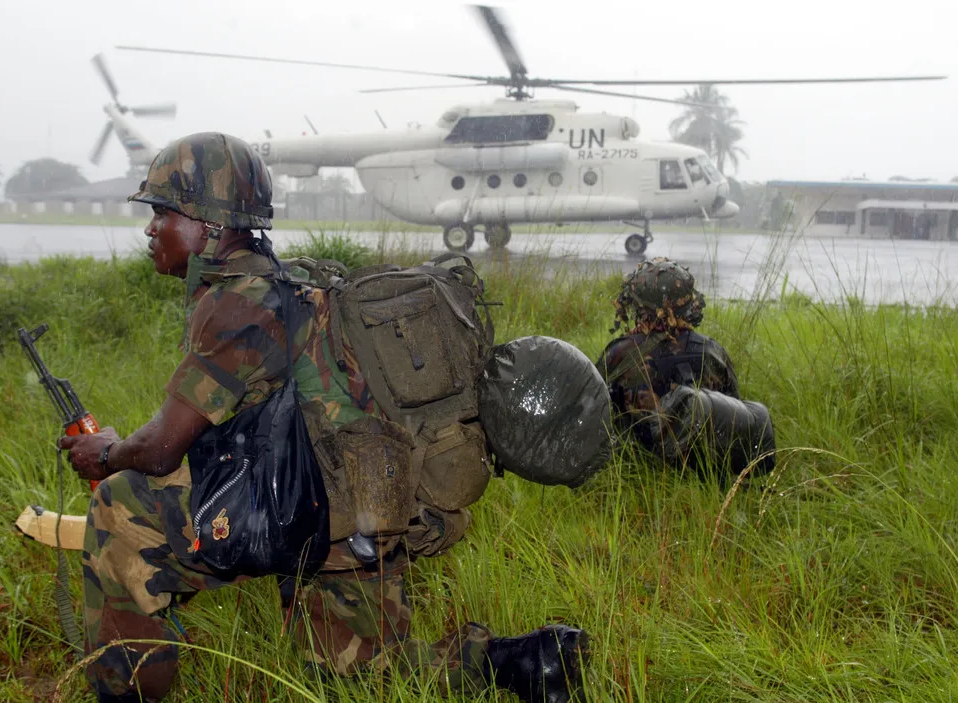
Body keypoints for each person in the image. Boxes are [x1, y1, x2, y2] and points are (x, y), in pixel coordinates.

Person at [59, 132, 588, 703]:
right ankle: (529, 663)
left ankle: (127, 692)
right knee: (362, 670)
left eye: (161, 211)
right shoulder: (296, 283)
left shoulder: (236, 301)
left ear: (206, 223)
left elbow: (163, 448)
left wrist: (107, 451)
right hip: (374, 506)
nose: (150, 228)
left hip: (316, 512)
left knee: (120, 506)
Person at [594, 257, 740, 446]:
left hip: (635, 467)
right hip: (701, 466)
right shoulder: (713, 351)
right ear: (688, 303)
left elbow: (595, 411)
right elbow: (734, 411)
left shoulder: (619, 352)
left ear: (637, 304)